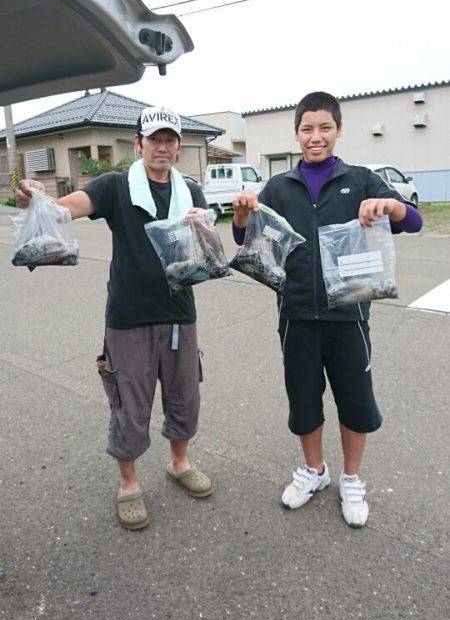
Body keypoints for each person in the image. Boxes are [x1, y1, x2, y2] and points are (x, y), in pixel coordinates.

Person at [232, 91, 422, 528]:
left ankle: (351, 478)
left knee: (355, 401)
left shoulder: (361, 179)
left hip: (348, 316)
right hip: (296, 314)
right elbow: (247, 240)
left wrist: (390, 205)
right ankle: (314, 471)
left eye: (324, 128)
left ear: (338, 130)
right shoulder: (279, 187)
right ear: (296, 134)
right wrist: (241, 216)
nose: (315, 136)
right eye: (307, 129)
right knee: (304, 401)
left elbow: (413, 221)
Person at [17, 106, 213, 530]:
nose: (162, 146)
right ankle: (128, 483)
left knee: (184, 395)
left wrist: (205, 226)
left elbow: (207, 251)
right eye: (154, 139)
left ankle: (179, 463)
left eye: (170, 139)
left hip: (180, 313)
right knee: (130, 402)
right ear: (139, 143)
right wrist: (35, 198)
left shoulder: (191, 192)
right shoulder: (115, 186)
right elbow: (64, 209)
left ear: (179, 146)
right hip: (128, 317)